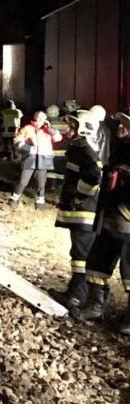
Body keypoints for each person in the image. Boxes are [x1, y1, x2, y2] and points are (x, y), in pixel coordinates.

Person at [75, 110, 130, 334]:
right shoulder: (121, 149)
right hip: (110, 218)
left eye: (125, 124)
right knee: (98, 262)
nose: (119, 127)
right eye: (119, 123)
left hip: (127, 220)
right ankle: (95, 305)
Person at [52, 110, 102, 309]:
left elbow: (94, 175)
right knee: (77, 253)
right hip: (80, 211)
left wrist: (79, 196)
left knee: (81, 256)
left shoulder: (85, 149)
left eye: (73, 125)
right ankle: (74, 291)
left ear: (83, 128)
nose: (68, 129)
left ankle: (77, 296)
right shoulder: (78, 147)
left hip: (84, 212)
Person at [10, 111, 63, 208]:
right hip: (31, 158)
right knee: (23, 181)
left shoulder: (48, 130)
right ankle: (14, 198)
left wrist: (49, 128)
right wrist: (28, 148)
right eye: (39, 118)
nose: (40, 120)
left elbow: (58, 138)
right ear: (35, 117)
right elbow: (16, 140)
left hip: (43, 158)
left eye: (43, 118)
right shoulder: (28, 128)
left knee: (41, 182)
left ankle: (40, 202)